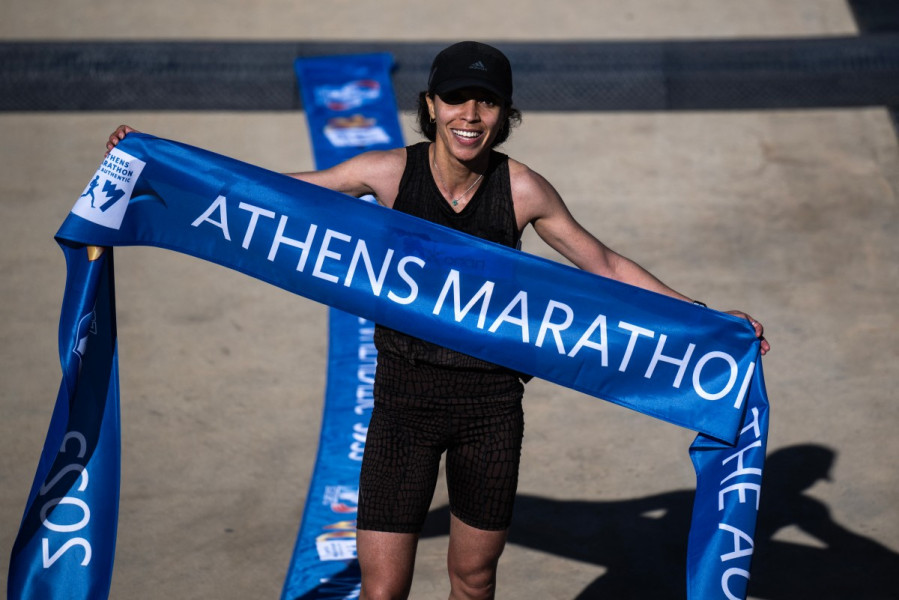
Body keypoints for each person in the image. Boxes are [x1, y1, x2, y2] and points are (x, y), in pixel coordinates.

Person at [106, 40, 769, 600]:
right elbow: (275, 194)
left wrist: (703, 317)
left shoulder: (521, 189)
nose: (469, 116)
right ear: (430, 106)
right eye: (456, 99)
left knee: (472, 582)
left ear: (505, 115)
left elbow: (603, 263)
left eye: (486, 103)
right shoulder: (389, 172)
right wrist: (162, 167)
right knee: (383, 591)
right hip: (402, 406)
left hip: (489, 411)